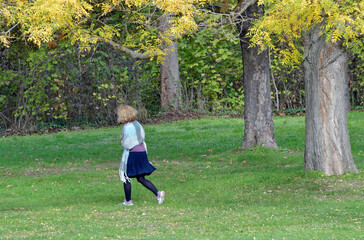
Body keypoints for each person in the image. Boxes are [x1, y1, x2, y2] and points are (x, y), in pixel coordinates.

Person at [116, 105, 165, 206]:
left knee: (125, 176)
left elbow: (128, 144)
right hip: (142, 152)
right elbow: (140, 137)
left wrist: (122, 140)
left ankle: (128, 201)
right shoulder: (137, 124)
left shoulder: (127, 127)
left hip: (133, 154)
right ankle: (158, 193)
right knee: (141, 178)